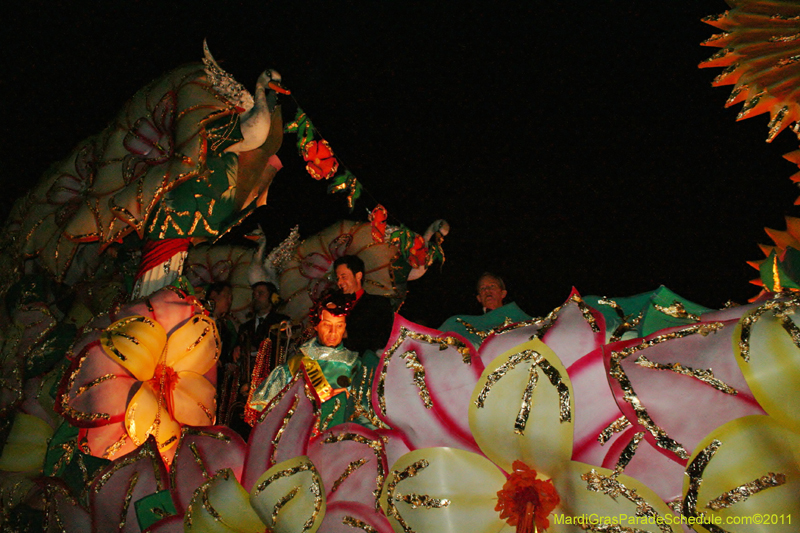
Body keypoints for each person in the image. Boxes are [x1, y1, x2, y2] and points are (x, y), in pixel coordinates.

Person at [249, 293, 358, 413]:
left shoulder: (355, 365)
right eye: (327, 325)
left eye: (339, 326)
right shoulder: (294, 365)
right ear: (316, 325)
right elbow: (269, 410)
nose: (333, 332)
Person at [223, 281, 290, 437]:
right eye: (254, 294)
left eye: (261, 293)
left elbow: (283, 349)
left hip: (269, 381)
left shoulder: (281, 322)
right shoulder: (245, 327)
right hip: (247, 383)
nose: (256, 297)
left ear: (272, 298)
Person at [438, 272, 531, 349]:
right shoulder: (462, 323)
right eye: (483, 288)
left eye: (492, 286)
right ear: (479, 298)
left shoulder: (518, 318)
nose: (487, 291)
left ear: (503, 293)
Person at [333, 255, 395, 356]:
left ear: (358, 276)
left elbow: (381, 340)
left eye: (343, 277)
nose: (339, 282)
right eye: (338, 278)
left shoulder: (378, 304)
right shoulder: (334, 304)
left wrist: (347, 335)